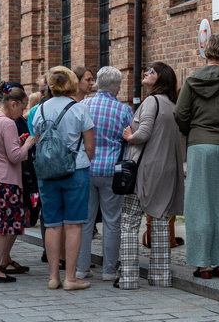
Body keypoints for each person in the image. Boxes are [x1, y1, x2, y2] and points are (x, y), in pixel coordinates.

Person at [174, 34, 219, 279]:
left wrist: (192, 131)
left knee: (199, 205)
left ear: (206, 52)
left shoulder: (192, 79)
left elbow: (180, 114)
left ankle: (203, 263)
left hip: (199, 146)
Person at [117, 62, 184, 289]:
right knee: (160, 222)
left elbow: (143, 134)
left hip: (144, 171)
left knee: (129, 223)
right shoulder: (172, 105)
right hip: (166, 170)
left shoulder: (151, 101)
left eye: (151, 72)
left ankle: (128, 278)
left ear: (161, 79)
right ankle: (161, 277)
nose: (145, 73)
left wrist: (129, 135)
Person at [33, 66, 96, 290]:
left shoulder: (40, 110)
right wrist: (79, 160)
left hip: (47, 173)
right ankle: (70, 277)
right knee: (74, 225)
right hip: (75, 170)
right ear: (70, 83)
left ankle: (53, 276)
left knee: (52, 224)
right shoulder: (79, 109)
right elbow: (90, 147)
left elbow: (40, 143)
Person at [0, 83, 38, 283]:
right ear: (12, 104)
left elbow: (0, 149)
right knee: (2, 229)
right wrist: (28, 144)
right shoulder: (7, 123)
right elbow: (15, 156)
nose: (23, 112)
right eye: (22, 107)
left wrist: (17, 145)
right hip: (4, 182)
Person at [78, 66, 132, 281]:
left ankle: (81, 268)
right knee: (112, 221)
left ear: (97, 84)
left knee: (84, 221)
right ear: (118, 88)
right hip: (112, 171)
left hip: (85, 169)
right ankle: (109, 270)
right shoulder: (124, 110)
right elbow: (129, 139)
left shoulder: (83, 105)